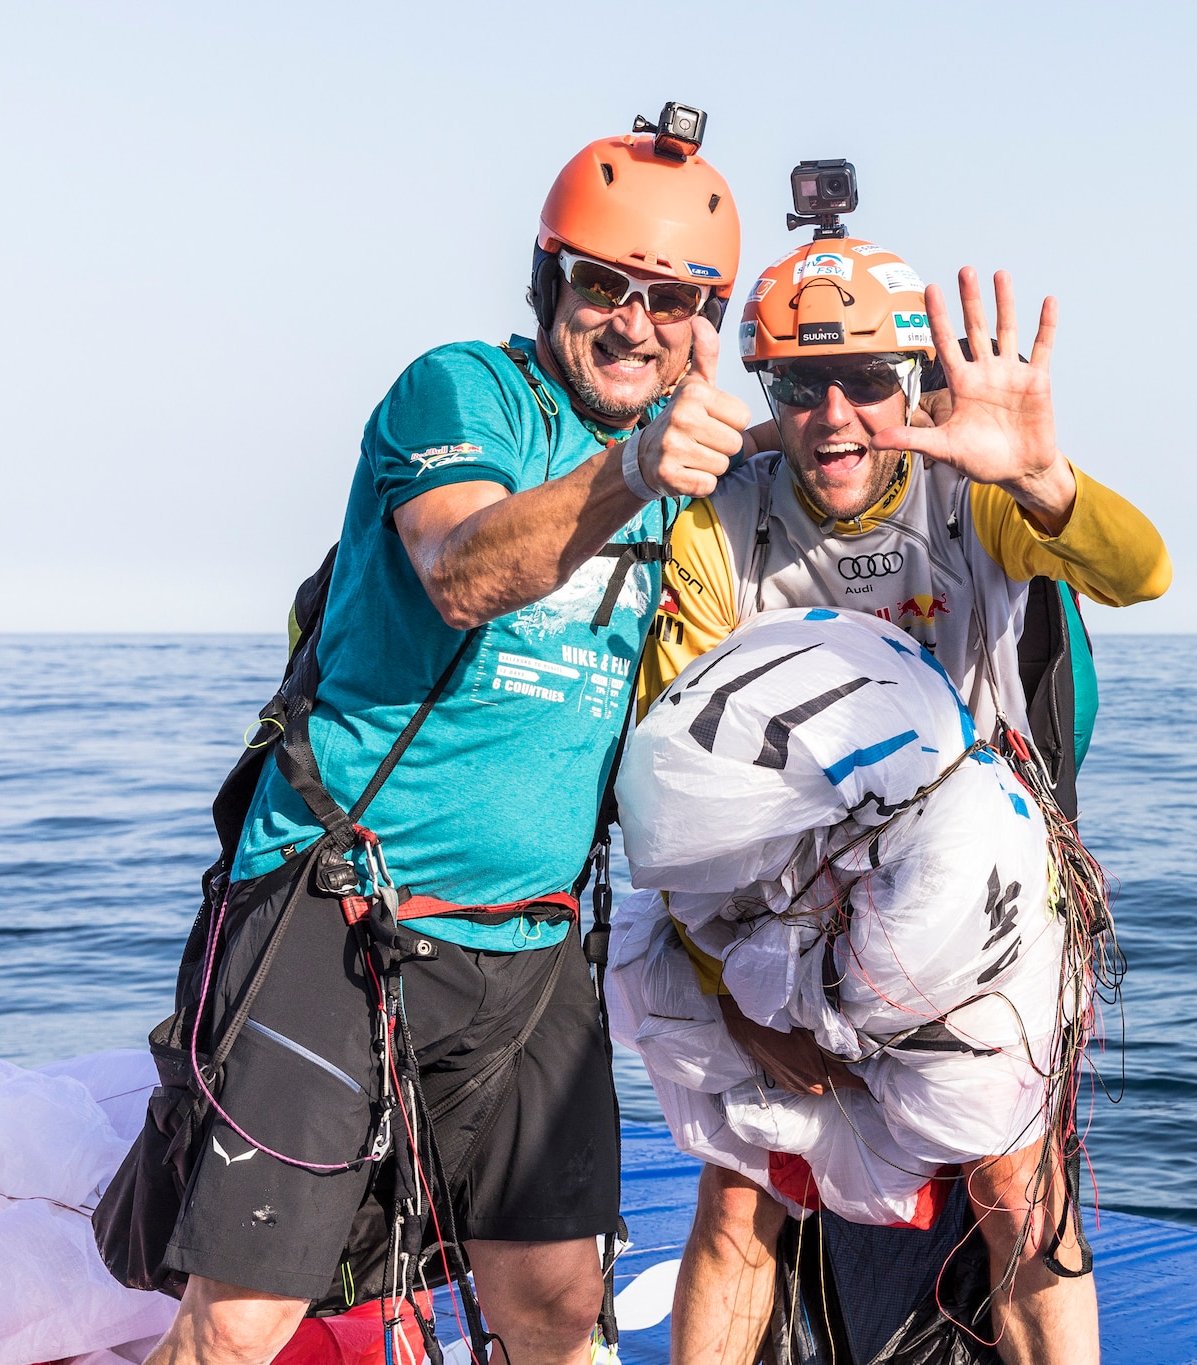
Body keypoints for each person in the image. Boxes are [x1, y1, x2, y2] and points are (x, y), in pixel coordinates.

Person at [141, 118, 751, 1365]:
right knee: (244, 1318)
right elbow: (463, 570)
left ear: (708, 320)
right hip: (342, 915)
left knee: (558, 1309)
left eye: (674, 300)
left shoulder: (689, 480)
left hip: (531, 945)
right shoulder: (464, 391)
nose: (635, 324)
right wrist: (634, 468)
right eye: (604, 287)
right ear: (549, 282)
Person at [639, 234, 1171, 1365]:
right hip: (782, 893)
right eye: (797, 386)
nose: (833, 416)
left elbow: (1140, 573)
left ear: (914, 385)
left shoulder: (968, 494)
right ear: (767, 394)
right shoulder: (717, 525)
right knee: (741, 1192)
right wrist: (733, 1010)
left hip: (974, 887)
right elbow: (673, 805)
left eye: (868, 383)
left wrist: (1036, 475)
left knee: (1017, 1189)